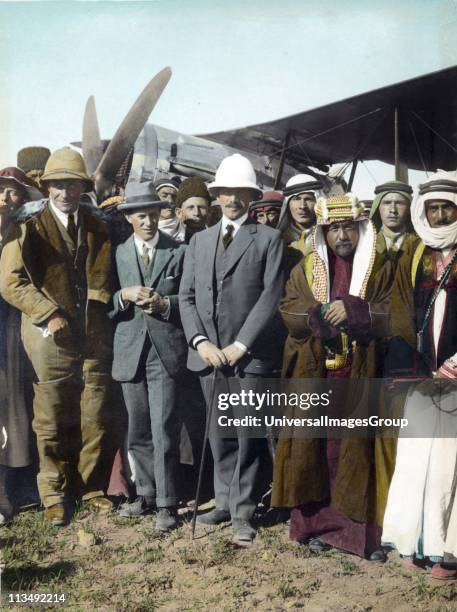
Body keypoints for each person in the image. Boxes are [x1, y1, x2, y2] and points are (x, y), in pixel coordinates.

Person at [271, 193, 393, 560]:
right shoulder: (305, 269)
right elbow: (288, 309)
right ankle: (317, 527)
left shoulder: (381, 267)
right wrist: (317, 314)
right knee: (316, 452)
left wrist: (355, 310)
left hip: (361, 372)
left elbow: (394, 311)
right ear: (323, 233)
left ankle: (355, 536)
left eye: (348, 228)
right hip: (318, 372)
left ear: (360, 229)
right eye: (333, 228)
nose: (341, 236)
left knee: (356, 453)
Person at [0, 147, 115, 526]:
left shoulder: (100, 224)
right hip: (47, 337)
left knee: (94, 414)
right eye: (58, 185)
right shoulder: (26, 225)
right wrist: (46, 313)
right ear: (47, 188)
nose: (65, 192)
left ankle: (91, 488)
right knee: (49, 419)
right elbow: (10, 282)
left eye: (72, 184)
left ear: (83, 187)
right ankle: (53, 493)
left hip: (93, 334)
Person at [179, 153, 284, 544]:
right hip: (209, 356)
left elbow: (270, 296)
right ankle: (223, 500)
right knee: (219, 432)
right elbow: (186, 297)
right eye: (226, 193)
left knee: (248, 433)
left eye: (241, 193)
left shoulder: (269, 239)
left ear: (251, 197)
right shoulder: (200, 241)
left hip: (249, 357)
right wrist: (201, 342)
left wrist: (241, 345)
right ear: (217, 196)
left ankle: (244, 509)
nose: (233, 199)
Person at [382, 171, 457, 580]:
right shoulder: (418, 253)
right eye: (434, 207)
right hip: (423, 375)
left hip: (455, 372)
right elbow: (400, 314)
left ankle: (451, 551)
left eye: (447, 206)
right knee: (417, 460)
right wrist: (414, 367)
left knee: (451, 464)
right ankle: (417, 542)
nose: (441, 214)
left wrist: (453, 365)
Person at [109, 182, 187, 531]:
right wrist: (123, 295)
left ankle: (168, 504)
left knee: (164, 426)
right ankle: (146, 494)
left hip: (165, 351)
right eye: (142, 216)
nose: (149, 222)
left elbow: (189, 301)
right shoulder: (119, 252)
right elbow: (106, 302)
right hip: (130, 350)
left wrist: (164, 304)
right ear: (129, 218)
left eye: (154, 215)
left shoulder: (178, 251)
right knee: (138, 427)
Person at [0, 167, 42, 524]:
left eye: (13, 193)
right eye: (0, 191)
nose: (4, 199)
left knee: (18, 410)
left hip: (16, 329)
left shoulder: (23, 234)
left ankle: (20, 485)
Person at [277, 175, 322, 269]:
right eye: (296, 199)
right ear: (287, 204)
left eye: (308, 199)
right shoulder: (278, 240)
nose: (302, 206)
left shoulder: (327, 236)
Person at [175, 177, 211, 243]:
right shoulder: (170, 242)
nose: (197, 213)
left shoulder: (215, 242)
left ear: (209, 211)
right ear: (179, 213)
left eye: (201, 207)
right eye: (191, 207)